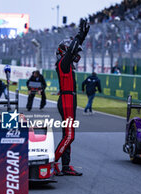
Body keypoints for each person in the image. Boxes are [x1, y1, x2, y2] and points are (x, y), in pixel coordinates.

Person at [54, 18, 89, 176]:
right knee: (69, 135)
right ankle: (53, 162)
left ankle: (66, 166)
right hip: (67, 100)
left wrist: (81, 38)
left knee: (67, 134)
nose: (76, 54)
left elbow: (73, 49)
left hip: (70, 100)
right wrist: (80, 35)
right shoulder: (63, 62)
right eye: (73, 51)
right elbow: (71, 50)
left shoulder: (65, 63)